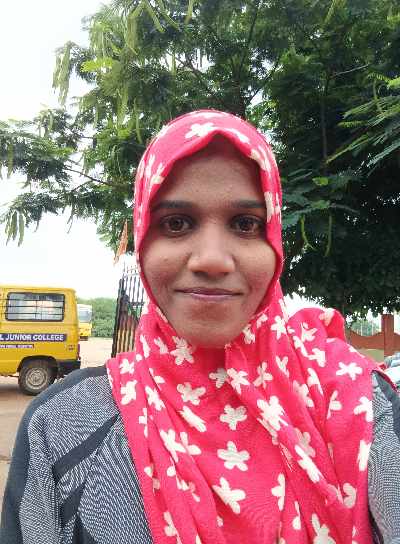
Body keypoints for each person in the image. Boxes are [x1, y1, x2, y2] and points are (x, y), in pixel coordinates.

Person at [1, 110, 399, 544]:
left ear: (274, 241)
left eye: (245, 224)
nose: (211, 259)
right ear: (143, 241)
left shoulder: (357, 402)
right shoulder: (64, 422)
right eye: (176, 223)